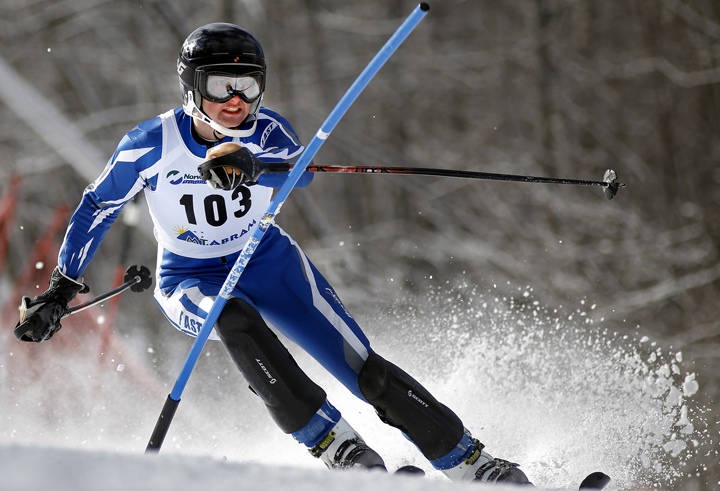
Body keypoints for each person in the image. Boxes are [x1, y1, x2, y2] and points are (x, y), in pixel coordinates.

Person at [14, 23, 531, 485]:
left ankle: (471, 462)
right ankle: (336, 445)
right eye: (220, 85)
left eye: (249, 85)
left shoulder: (268, 131)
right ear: (192, 87)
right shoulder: (149, 143)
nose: (236, 99)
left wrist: (253, 163)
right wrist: (62, 287)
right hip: (188, 277)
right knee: (232, 317)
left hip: (267, 260)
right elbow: (97, 205)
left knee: (363, 370)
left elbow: (300, 171)